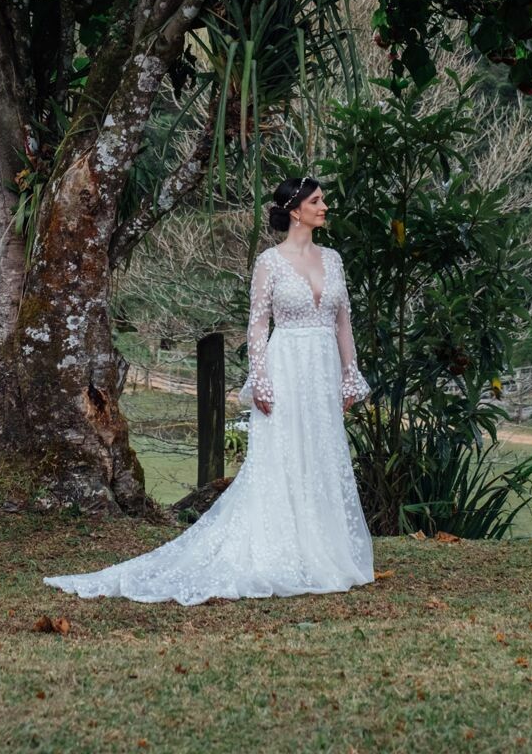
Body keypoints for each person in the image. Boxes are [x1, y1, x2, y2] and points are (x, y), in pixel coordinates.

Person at [42, 176, 374, 605]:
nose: (324, 206)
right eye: (316, 200)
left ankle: (324, 549)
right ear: (295, 210)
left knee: (321, 452)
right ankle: (281, 547)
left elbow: (343, 322)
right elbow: (257, 324)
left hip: (323, 366)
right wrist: (262, 379)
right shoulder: (269, 263)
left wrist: (350, 374)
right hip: (287, 363)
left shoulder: (333, 259)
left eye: (322, 200)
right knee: (284, 455)